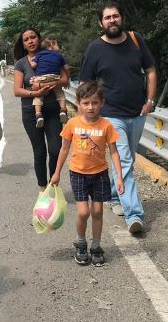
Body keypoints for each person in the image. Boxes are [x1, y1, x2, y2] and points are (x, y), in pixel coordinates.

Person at [80, 2, 157, 235]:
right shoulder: (95, 49)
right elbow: (85, 83)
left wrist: (150, 101)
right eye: (107, 17)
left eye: (115, 16)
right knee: (123, 161)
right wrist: (88, 113)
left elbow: (151, 70)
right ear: (100, 23)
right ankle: (134, 214)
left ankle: (115, 195)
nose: (112, 20)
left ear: (121, 18)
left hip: (138, 113)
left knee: (126, 161)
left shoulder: (135, 40)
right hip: (111, 115)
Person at [51, 81, 123, 266]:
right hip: (78, 173)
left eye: (95, 103)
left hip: (100, 174)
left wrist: (119, 177)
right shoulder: (72, 124)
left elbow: (114, 152)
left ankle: (96, 246)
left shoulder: (106, 126)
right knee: (83, 212)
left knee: (97, 211)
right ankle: (81, 243)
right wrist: (56, 173)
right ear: (78, 103)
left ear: (102, 103)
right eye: (86, 103)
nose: (90, 107)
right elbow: (64, 149)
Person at [14, 28, 70, 190]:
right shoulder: (21, 63)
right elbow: (17, 90)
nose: (30, 41)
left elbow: (66, 79)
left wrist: (49, 83)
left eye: (33, 37)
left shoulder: (52, 55)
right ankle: (42, 189)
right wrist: (35, 93)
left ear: (39, 39)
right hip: (31, 112)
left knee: (56, 149)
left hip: (53, 110)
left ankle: (53, 186)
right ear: (23, 44)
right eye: (26, 39)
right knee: (39, 152)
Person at [29, 38, 69, 128]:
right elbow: (66, 68)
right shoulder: (59, 55)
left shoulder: (39, 54)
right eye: (55, 44)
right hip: (55, 77)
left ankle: (38, 115)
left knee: (38, 95)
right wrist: (68, 78)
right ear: (50, 45)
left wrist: (32, 60)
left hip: (42, 78)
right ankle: (63, 110)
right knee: (60, 94)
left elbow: (33, 65)